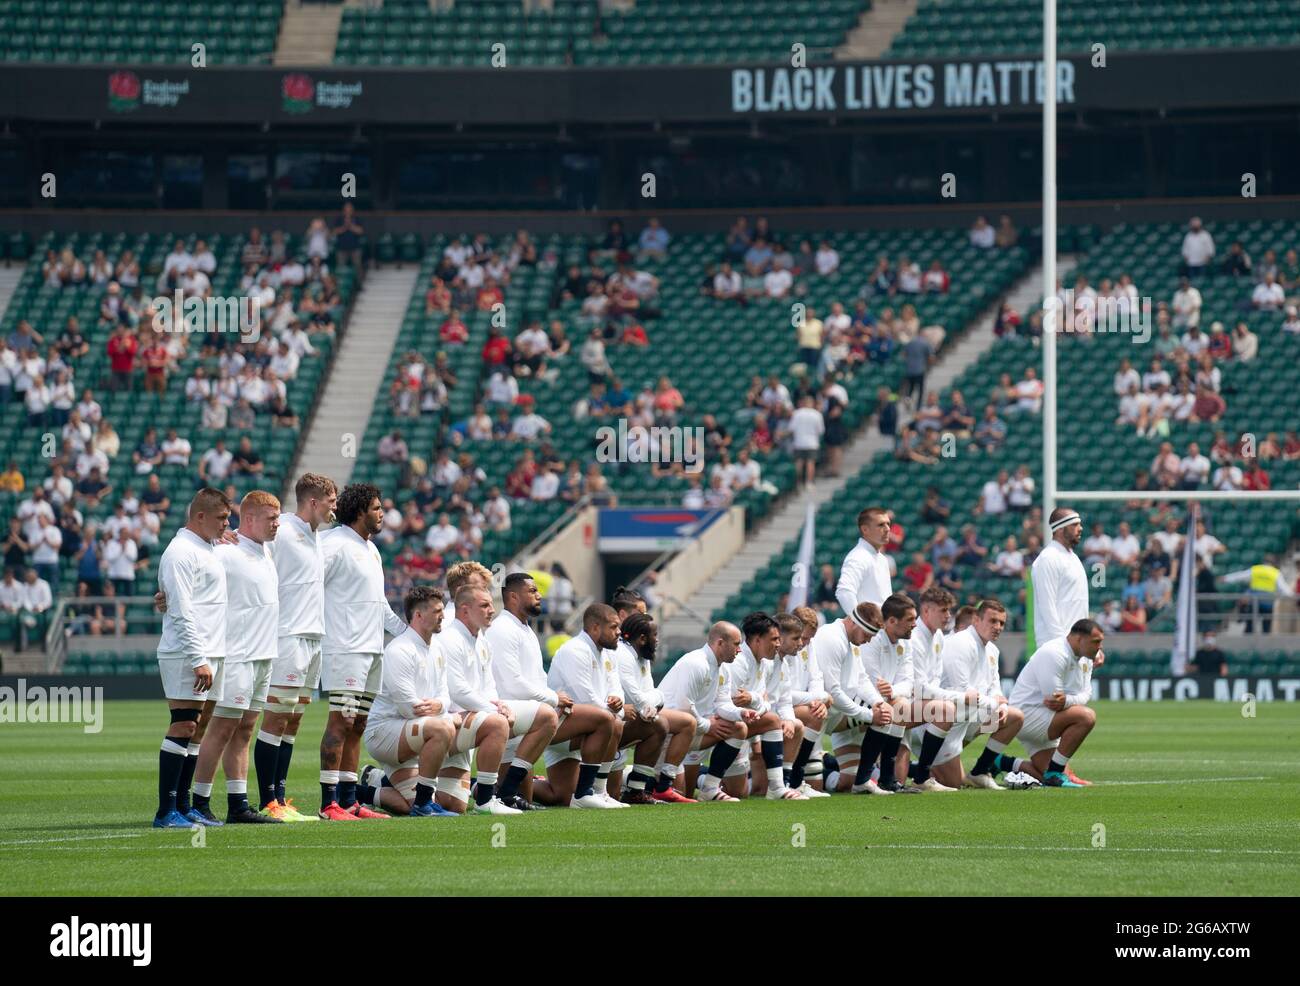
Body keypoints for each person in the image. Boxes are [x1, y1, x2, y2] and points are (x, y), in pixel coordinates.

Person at [190, 492, 284, 826]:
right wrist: (165, 598)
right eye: (271, 519)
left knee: (245, 730)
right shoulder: (225, 553)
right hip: (238, 656)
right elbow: (191, 581)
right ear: (249, 519)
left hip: (263, 656)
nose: (277, 525)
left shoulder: (266, 551)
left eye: (278, 518)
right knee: (222, 728)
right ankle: (198, 802)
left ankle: (237, 803)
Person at [318, 483, 407, 820]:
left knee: (358, 724)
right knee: (341, 721)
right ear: (359, 512)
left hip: (372, 649)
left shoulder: (371, 549)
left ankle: (350, 800)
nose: (382, 513)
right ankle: (329, 804)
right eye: (376, 507)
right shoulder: (333, 544)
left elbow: (380, 605)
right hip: (345, 648)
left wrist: (407, 633)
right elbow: (306, 584)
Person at [255, 473, 337, 820]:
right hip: (287, 637)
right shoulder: (283, 530)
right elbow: (248, 549)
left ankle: (281, 798)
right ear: (314, 502)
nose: (336, 507)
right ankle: (267, 801)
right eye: (332, 501)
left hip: (314, 638)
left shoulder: (318, 536)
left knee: (293, 721)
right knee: (275, 719)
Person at [151, 488, 231, 828]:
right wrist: (199, 658)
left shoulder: (209, 547)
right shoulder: (181, 552)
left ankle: (184, 807)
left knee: (197, 730)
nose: (227, 524)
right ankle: (166, 811)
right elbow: (181, 610)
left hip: (212, 651)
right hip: (188, 653)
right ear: (200, 516)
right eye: (222, 518)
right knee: (183, 724)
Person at [356, 587, 459, 817]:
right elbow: (408, 708)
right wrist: (440, 710)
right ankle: (424, 804)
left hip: (414, 731)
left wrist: (440, 705)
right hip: (385, 733)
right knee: (443, 726)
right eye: (437, 611)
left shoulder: (437, 648)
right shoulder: (399, 649)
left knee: (410, 806)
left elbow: (445, 695)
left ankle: (362, 790)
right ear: (419, 615)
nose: (443, 616)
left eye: (442, 610)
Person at [430, 584, 524, 815]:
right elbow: (457, 690)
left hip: (469, 718)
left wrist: (497, 704)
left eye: (491, 604)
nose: (492, 610)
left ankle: (376, 783)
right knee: (503, 723)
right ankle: (487, 799)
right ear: (464, 610)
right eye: (485, 605)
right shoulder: (450, 639)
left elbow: (488, 684)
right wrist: (496, 712)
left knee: (455, 805)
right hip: (447, 722)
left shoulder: (481, 640)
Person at [544, 604, 635, 808]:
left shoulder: (609, 652)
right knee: (612, 722)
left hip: (588, 729)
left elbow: (615, 687)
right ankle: (589, 792)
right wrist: (617, 712)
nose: (619, 632)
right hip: (559, 728)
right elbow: (585, 699)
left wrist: (617, 702)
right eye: (613, 627)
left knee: (561, 796)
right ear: (595, 628)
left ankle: (483, 786)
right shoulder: (574, 650)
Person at [658, 620, 757, 802]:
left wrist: (740, 713)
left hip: (689, 732)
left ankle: (710, 788)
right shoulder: (696, 663)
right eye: (736, 644)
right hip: (667, 735)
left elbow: (723, 703)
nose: (740, 649)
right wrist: (708, 725)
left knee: (739, 727)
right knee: (679, 794)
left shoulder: (723, 668)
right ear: (720, 643)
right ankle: (630, 777)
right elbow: (683, 709)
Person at [931, 599, 1025, 791]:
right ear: (976, 619)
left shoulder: (992, 650)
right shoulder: (961, 643)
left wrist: (1002, 705)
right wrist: (994, 703)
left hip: (968, 716)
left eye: (1001, 623)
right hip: (942, 721)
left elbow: (995, 687)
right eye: (992, 621)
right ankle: (917, 769)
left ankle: (981, 771)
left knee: (1014, 717)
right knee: (953, 783)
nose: (997, 627)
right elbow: (962, 690)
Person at [1007, 620, 1104, 787]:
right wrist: (1069, 700)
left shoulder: (1087, 658)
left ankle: (1001, 763)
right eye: (1096, 642)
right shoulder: (1054, 653)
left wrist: (1068, 700)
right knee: (1086, 717)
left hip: (1044, 716)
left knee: (1041, 776)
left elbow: (1086, 693)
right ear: (1079, 639)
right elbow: (1054, 701)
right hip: (1027, 716)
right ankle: (1055, 773)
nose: (1099, 647)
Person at [723, 612, 807, 800]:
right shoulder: (739, 663)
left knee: (747, 791)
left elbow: (767, 702)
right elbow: (731, 706)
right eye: (775, 639)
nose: (801, 643)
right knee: (738, 792)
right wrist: (756, 740)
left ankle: (781, 785)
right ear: (758, 640)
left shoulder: (767, 662)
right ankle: (705, 778)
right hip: (727, 726)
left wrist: (787, 720)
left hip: (749, 725)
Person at [835, 506, 893, 615]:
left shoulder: (882, 559)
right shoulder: (857, 557)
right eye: (881, 525)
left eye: (888, 524)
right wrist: (862, 624)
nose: (887, 529)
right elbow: (844, 592)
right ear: (865, 529)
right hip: (869, 629)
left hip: (881, 628)